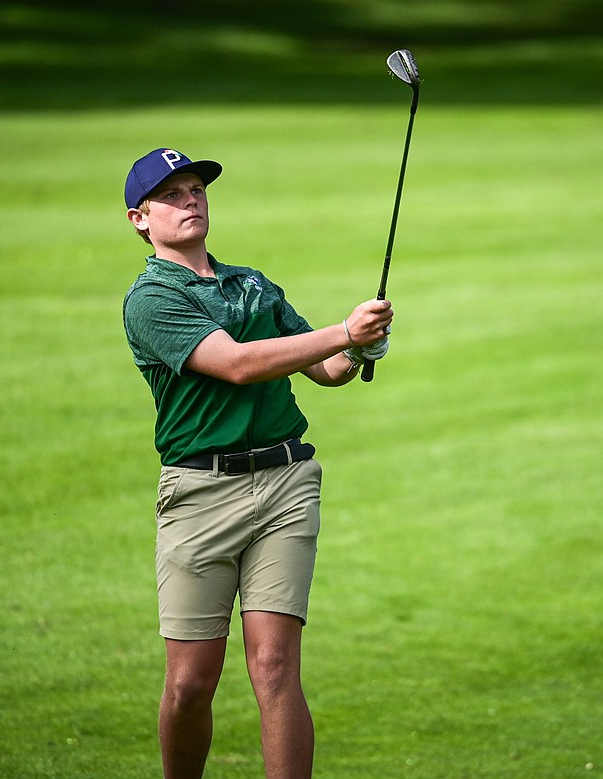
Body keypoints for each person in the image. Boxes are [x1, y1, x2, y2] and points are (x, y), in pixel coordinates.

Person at [121, 147, 393, 779]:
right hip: (198, 494)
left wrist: (363, 346)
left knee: (274, 668)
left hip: (285, 483)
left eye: (196, 189)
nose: (191, 200)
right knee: (192, 682)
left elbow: (325, 370)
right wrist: (343, 332)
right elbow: (238, 365)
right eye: (173, 194)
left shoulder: (251, 284)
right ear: (140, 218)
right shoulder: (150, 299)